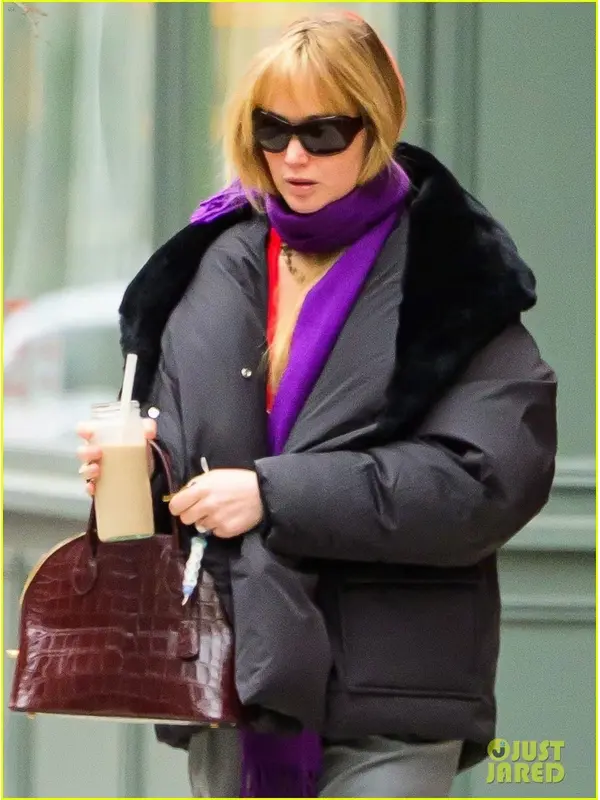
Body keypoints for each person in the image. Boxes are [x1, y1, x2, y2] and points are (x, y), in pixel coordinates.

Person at [76, 12, 557, 799]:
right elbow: (184, 455)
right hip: (235, 678)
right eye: (273, 130)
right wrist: (134, 477)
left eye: (324, 133)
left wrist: (274, 494)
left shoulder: (454, 273)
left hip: (390, 688)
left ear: (376, 125)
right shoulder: (212, 262)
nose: (294, 156)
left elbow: (485, 481)